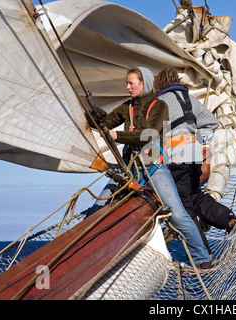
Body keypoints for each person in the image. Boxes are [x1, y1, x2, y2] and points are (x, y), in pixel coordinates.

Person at [88, 67, 213, 269]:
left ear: (144, 83)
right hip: (129, 168)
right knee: (96, 210)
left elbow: (149, 134)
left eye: (131, 83)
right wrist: (91, 114)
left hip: (153, 166)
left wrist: (117, 136)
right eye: (127, 83)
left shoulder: (159, 105)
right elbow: (105, 123)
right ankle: (87, 254)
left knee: (178, 214)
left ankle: (202, 259)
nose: (127, 87)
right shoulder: (127, 107)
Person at [154, 66, 236, 248]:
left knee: (184, 206)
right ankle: (227, 218)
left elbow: (152, 132)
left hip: (177, 157)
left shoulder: (159, 102)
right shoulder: (190, 99)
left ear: (159, 83)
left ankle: (204, 254)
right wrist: (194, 136)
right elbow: (212, 122)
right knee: (194, 195)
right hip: (194, 156)